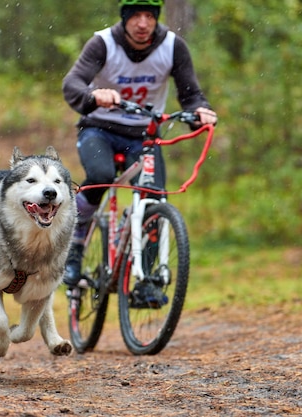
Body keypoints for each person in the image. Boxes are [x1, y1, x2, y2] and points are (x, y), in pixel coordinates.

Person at [62, 0, 217, 287]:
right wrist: (93, 96)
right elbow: (72, 83)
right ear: (124, 18)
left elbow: (191, 94)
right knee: (100, 177)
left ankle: (147, 281)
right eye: (135, 16)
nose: (143, 24)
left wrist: (200, 113)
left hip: (144, 136)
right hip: (99, 129)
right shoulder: (103, 43)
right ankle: (73, 245)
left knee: (154, 196)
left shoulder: (172, 46)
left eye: (149, 16)